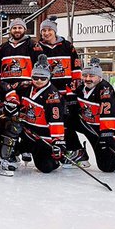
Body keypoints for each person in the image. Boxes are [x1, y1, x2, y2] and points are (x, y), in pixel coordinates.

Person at [0, 57, 65, 176]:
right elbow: (10, 90)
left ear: (49, 77)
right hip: (26, 130)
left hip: (42, 136)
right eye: (35, 77)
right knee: (9, 123)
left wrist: (57, 142)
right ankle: (8, 157)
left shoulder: (53, 96)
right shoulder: (25, 86)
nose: (38, 80)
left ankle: (56, 158)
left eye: (43, 78)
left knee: (45, 168)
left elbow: (56, 121)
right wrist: (12, 102)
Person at [36, 17, 85, 164]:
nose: (46, 33)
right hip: (47, 92)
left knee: (66, 123)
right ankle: (58, 149)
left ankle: (77, 151)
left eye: (49, 30)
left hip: (65, 92)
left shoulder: (67, 46)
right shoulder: (38, 47)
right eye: (43, 30)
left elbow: (76, 70)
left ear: (55, 31)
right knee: (50, 122)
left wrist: (72, 93)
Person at [0, 18, 40, 91]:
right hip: (6, 89)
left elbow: (39, 68)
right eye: (14, 28)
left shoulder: (33, 45)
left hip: (27, 89)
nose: (17, 30)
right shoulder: (2, 47)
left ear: (25, 29)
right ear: (10, 30)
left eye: (20, 28)